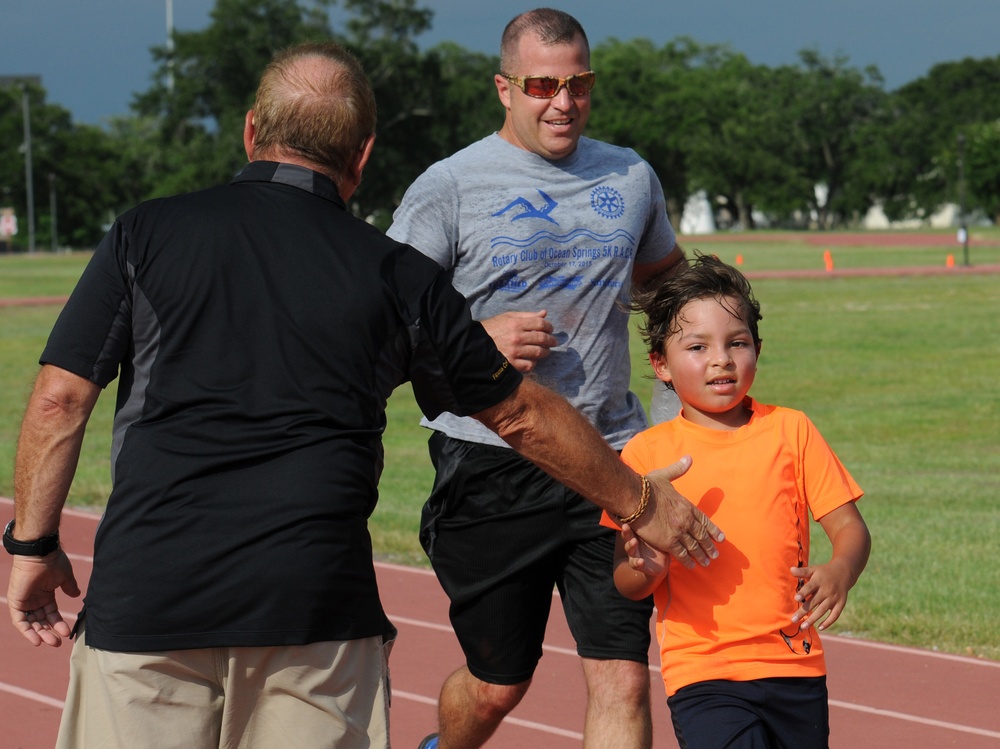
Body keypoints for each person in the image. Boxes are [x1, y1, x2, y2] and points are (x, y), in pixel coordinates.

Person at [4, 41, 723, 749]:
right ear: (363, 156)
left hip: (149, 601)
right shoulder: (396, 273)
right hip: (317, 610)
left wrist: (31, 545)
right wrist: (639, 498)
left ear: (253, 131)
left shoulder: (144, 233)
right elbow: (523, 414)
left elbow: (59, 401)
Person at [387, 8, 698, 748]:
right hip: (493, 460)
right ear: (504, 88)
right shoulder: (450, 185)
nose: (563, 102)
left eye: (578, 83)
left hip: (612, 456)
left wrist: (672, 410)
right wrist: (472, 338)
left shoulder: (629, 175)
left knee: (622, 675)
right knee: (498, 683)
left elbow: (668, 292)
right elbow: (377, 323)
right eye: (542, 84)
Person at [606, 253, 872, 748]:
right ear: (660, 364)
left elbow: (850, 528)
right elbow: (626, 580)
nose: (721, 359)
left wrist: (841, 570)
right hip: (704, 670)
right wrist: (648, 564)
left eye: (737, 342)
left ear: (757, 349)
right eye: (698, 346)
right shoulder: (646, 453)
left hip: (795, 666)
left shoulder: (792, 430)